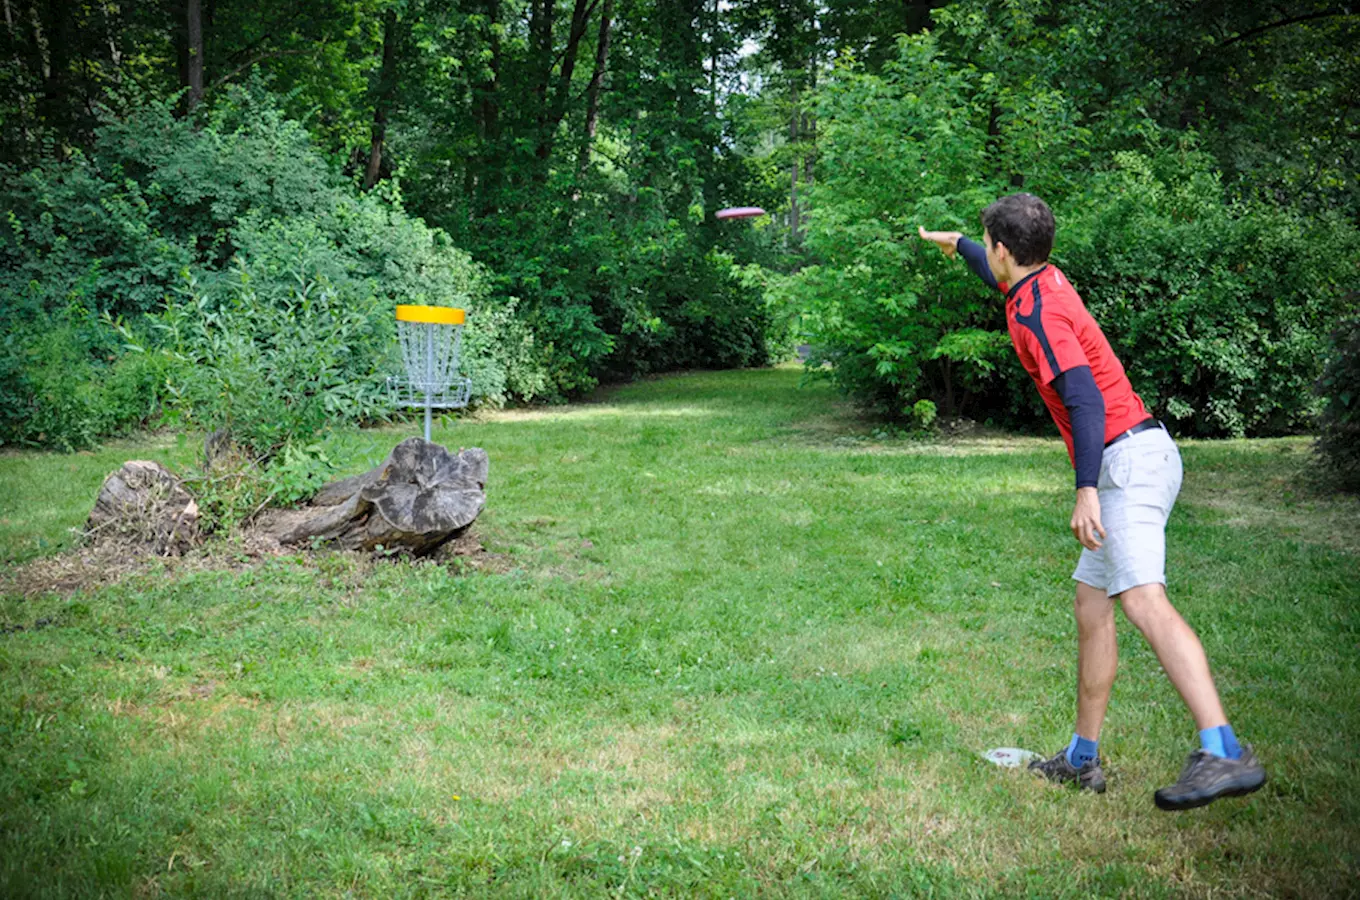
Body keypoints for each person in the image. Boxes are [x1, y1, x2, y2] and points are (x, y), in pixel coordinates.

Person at [919, 194, 1266, 811]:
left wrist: (1086, 490)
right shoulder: (1039, 280)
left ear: (1007, 249)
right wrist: (960, 247)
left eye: (985, 243)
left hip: (1126, 461)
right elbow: (997, 275)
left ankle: (1224, 750)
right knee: (1092, 603)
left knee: (1141, 599)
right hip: (1132, 454)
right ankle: (1083, 759)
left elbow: (1084, 400)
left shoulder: (1040, 316)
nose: (987, 253)